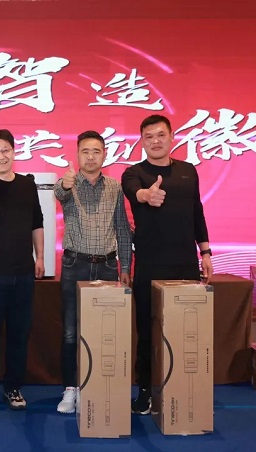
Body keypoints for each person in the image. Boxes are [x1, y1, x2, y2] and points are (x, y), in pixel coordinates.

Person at [121, 114, 213, 415]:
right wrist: (147, 195)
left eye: (161, 135)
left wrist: (206, 251)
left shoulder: (188, 171)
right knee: (147, 332)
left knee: (186, 331)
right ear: (141, 141)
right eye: (148, 136)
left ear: (172, 137)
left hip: (185, 264)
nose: (155, 141)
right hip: (149, 265)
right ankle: (145, 392)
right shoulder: (133, 173)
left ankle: (185, 391)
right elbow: (136, 193)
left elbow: (197, 212)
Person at [53, 130, 133, 414]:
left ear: (104, 155)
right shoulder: (68, 183)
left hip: (108, 267)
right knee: (70, 332)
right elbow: (59, 193)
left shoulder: (115, 187)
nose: (90, 156)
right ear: (77, 155)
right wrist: (65, 183)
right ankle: (70, 390)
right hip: (75, 265)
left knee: (104, 332)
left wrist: (126, 265)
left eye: (96, 151)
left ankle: (98, 386)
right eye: (85, 151)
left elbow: (122, 229)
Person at [0, 129, 45, 412]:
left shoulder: (27, 184)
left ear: (14, 152)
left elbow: (37, 222)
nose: (1, 156)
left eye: (5, 150)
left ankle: (13, 386)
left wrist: (40, 257)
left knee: (19, 333)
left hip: (23, 272)